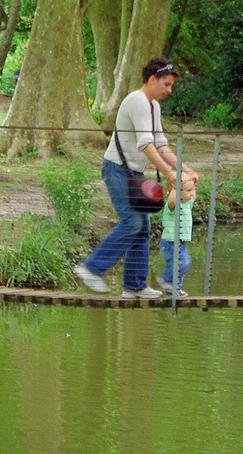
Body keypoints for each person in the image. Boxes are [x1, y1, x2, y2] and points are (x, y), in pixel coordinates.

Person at [74, 58, 197, 299]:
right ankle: (91, 268)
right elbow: (146, 145)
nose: (169, 90)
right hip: (117, 169)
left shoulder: (153, 106)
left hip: (134, 174)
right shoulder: (137, 101)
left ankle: (134, 285)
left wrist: (185, 168)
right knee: (132, 223)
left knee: (143, 228)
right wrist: (170, 174)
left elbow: (161, 144)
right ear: (152, 79)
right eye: (167, 84)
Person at [159, 171, 196, 296]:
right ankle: (167, 280)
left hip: (179, 242)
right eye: (188, 190)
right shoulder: (173, 205)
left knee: (183, 263)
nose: (191, 193)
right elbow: (173, 199)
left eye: (192, 189)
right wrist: (175, 187)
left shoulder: (187, 204)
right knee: (182, 262)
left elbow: (193, 196)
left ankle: (174, 288)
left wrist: (193, 182)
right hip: (170, 242)